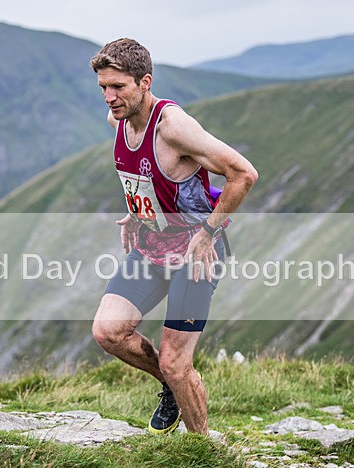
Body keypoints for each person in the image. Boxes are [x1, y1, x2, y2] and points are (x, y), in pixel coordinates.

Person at [89, 38, 258, 436]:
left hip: (196, 253)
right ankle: (169, 385)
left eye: (118, 87)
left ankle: (205, 452)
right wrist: (136, 210)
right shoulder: (118, 121)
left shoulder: (173, 127)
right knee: (108, 332)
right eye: (103, 88)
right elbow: (147, 175)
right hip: (152, 244)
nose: (109, 97)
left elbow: (243, 174)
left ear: (144, 82)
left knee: (176, 362)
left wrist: (207, 233)